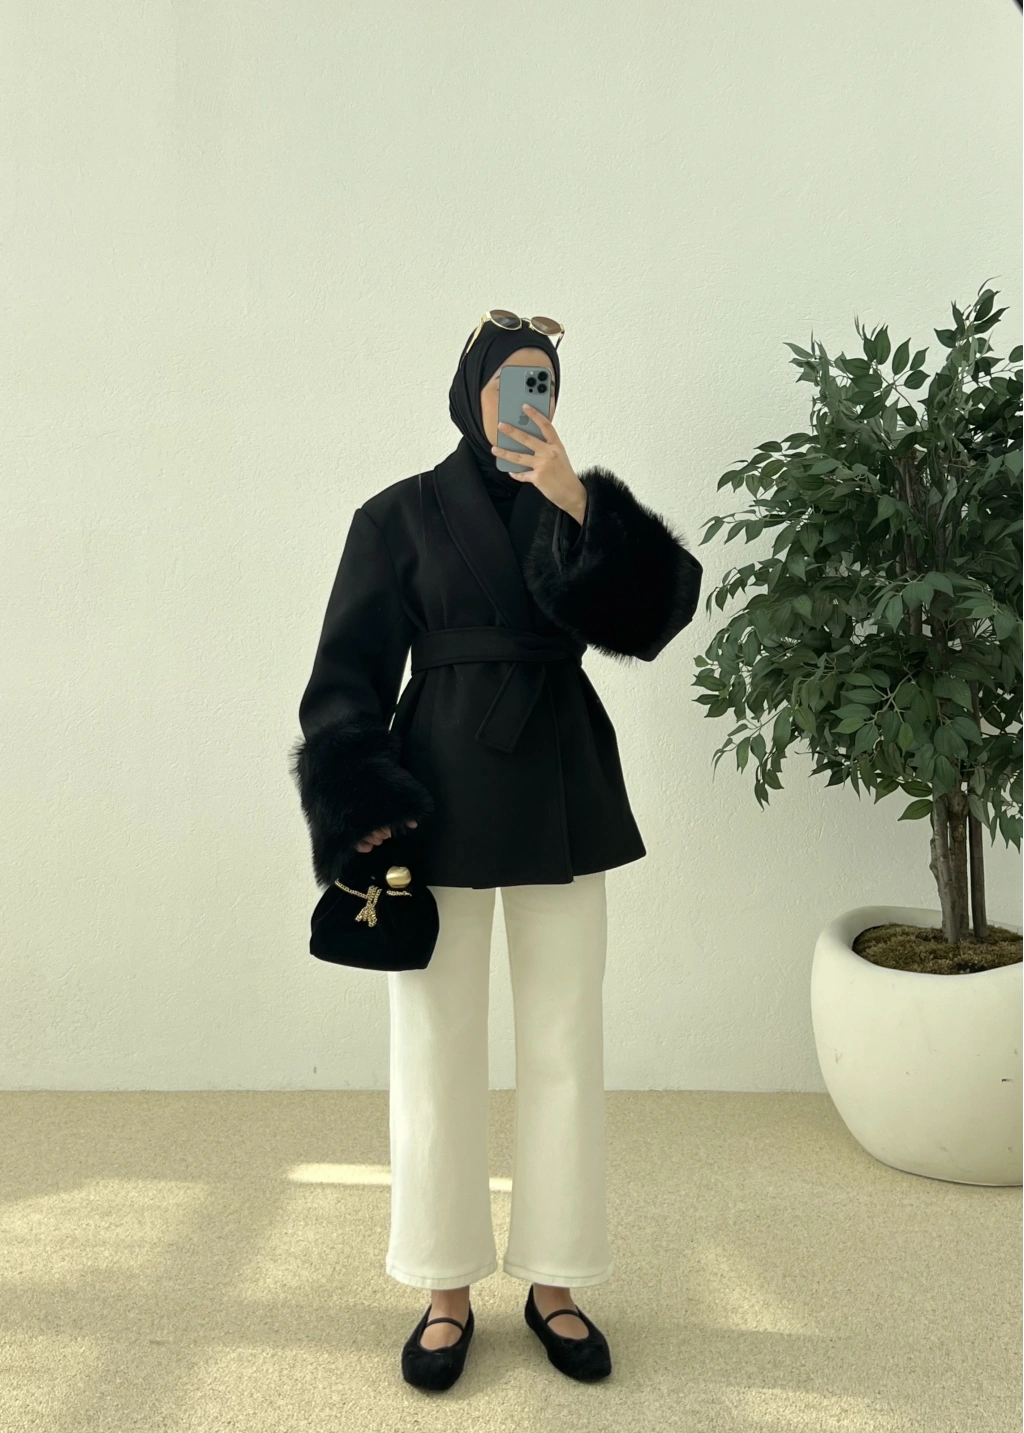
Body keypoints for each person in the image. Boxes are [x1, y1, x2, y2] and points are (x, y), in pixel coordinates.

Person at [290, 312, 704, 1389]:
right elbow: (346, 674)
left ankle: (556, 1278)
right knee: (435, 1043)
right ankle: (443, 1285)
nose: (532, 401)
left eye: (546, 382)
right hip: (438, 790)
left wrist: (583, 504)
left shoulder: (575, 504)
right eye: (513, 381)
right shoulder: (395, 514)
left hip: (562, 778)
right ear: (470, 390)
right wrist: (358, 797)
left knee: (567, 1037)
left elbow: (658, 613)